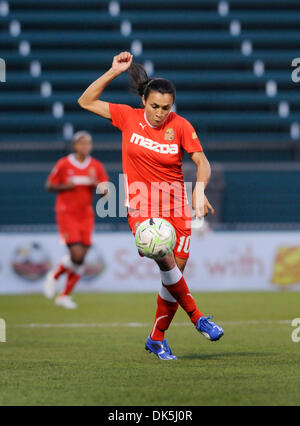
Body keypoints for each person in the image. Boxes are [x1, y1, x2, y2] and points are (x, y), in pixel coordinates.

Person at [78, 51, 223, 359]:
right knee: (165, 259)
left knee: (173, 278)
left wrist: (199, 191)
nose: (160, 113)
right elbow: (85, 101)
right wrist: (112, 72)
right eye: (155, 106)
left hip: (177, 207)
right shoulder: (127, 116)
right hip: (141, 206)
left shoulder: (180, 125)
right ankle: (199, 318)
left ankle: (156, 339)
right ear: (144, 100)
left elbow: (202, 161)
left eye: (166, 107)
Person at [44, 131, 109, 309]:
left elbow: (106, 191)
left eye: (88, 143)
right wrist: (66, 185)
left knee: (81, 259)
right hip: (67, 213)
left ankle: (64, 295)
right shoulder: (64, 164)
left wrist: (97, 185)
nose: (85, 146)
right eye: (82, 143)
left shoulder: (96, 166)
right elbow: (49, 185)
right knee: (77, 255)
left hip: (85, 215)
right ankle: (55, 276)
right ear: (74, 146)